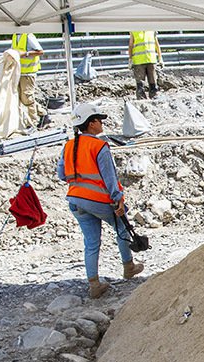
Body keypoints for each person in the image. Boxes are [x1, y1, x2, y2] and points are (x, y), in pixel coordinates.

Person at [57, 103, 143, 298]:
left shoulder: (68, 146)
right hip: (98, 200)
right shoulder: (99, 146)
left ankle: (94, 284)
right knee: (121, 228)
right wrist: (118, 199)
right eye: (99, 119)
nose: (102, 123)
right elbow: (109, 177)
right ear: (91, 123)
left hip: (76, 201)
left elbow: (62, 174)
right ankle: (128, 266)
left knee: (91, 242)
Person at [11, 32, 51, 129]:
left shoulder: (28, 36)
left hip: (29, 72)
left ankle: (33, 122)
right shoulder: (15, 35)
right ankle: (43, 114)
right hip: (20, 72)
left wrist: (26, 54)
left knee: (28, 96)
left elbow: (40, 51)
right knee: (23, 98)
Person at [128, 31, 162, 99]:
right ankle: (141, 101)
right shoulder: (134, 31)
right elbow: (131, 45)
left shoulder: (152, 30)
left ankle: (154, 98)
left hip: (151, 60)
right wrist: (130, 59)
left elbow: (156, 44)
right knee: (140, 85)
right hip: (138, 62)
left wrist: (160, 58)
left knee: (153, 83)